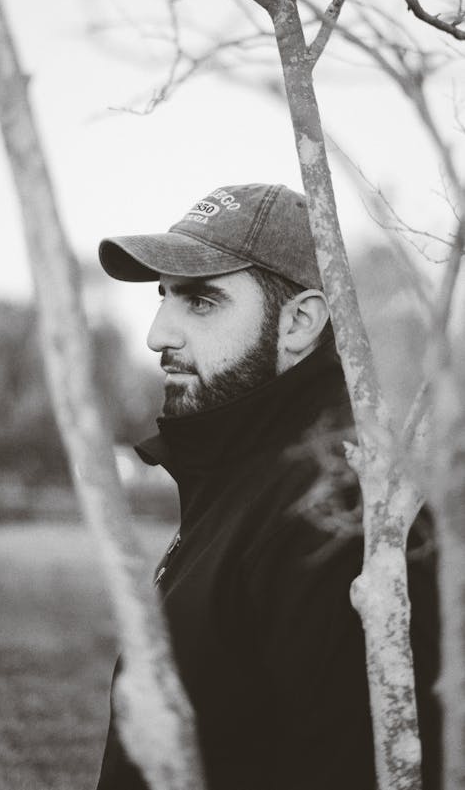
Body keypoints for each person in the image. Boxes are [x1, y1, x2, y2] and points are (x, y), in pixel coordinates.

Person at [96, 183, 440, 790]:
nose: (157, 335)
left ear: (301, 321)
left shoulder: (333, 509)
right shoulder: (242, 476)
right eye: (164, 298)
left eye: (200, 302)